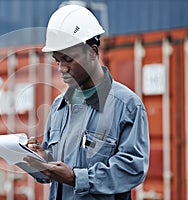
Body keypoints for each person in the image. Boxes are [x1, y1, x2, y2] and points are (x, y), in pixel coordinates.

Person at [23, 4, 150, 200]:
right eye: (57, 60)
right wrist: (42, 159)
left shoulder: (126, 106)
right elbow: (53, 171)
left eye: (68, 59)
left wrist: (76, 178)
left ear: (92, 52)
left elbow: (132, 169)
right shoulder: (59, 106)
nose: (61, 69)